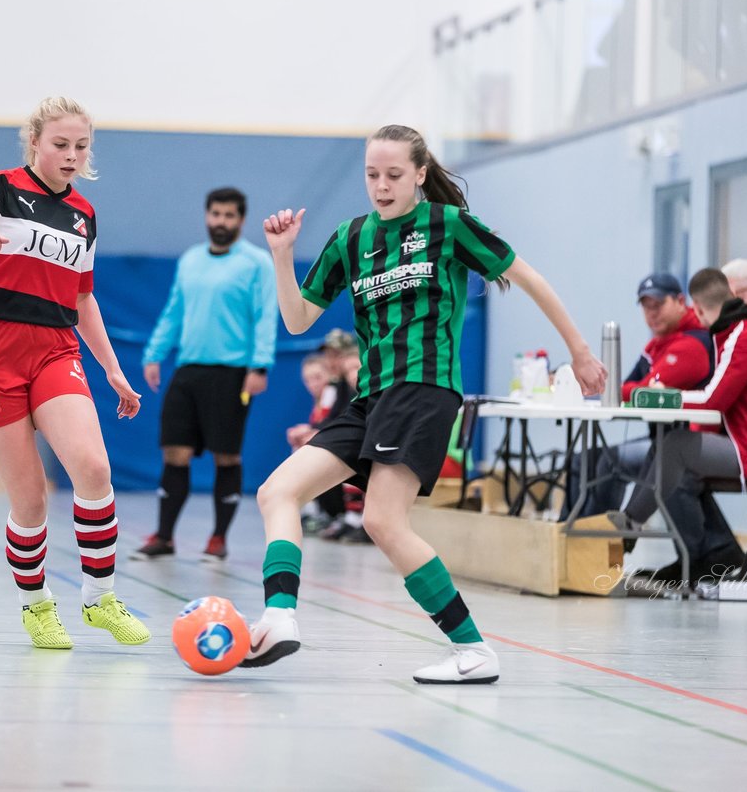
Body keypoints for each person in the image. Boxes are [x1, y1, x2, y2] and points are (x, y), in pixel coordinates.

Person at [240, 124, 607, 684]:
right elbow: (297, 320)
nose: (381, 186)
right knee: (277, 492)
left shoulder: (448, 225)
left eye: (393, 175)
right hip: (372, 397)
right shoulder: (350, 238)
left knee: (384, 521)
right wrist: (283, 256)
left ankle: (474, 650)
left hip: (424, 388)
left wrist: (579, 353)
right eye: (371, 175)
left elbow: (528, 278)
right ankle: (280, 616)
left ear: (418, 173)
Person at [0, 96, 149, 651]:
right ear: (35, 143)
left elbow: (83, 299)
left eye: (81, 146)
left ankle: (101, 600)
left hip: (55, 347)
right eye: (60, 144)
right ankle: (37, 606)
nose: (72, 155)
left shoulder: (85, 215)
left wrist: (114, 372)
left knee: (93, 467)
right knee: (29, 500)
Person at [617, 268, 747, 583]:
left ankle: (626, 526)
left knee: (675, 448)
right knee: (670, 453)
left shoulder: (744, 335)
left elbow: (713, 401)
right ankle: (695, 555)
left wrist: (663, 400)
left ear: (696, 308)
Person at [134, 187, 278, 562]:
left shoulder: (257, 263)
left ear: (241, 220)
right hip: (188, 370)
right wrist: (154, 354)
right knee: (174, 451)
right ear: (206, 216)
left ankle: (218, 538)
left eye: (229, 216)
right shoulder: (190, 260)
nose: (221, 222)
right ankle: (164, 537)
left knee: (226, 456)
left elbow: (266, 316)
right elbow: (173, 311)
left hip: (232, 375)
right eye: (216, 214)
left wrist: (259, 366)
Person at [569, 271, 713, 518]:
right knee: (583, 458)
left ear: (680, 301)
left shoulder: (692, 345)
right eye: (646, 307)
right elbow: (625, 387)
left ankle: (602, 538)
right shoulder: (657, 344)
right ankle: (575, 534)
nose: (651, 313)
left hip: (688, 442)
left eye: (658, 305)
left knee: (607, 462)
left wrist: (618, 388)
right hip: (662, 438)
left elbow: (639, 393)